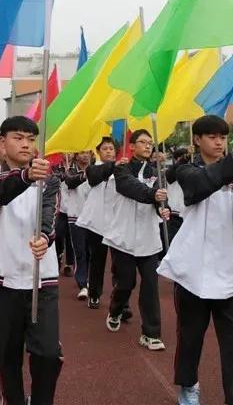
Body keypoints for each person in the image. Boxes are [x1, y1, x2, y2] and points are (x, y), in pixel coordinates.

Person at [157, 115, 233, 405]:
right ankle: (188, 384)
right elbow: (201, 186)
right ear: (197, 140)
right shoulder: (185, 171)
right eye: (212, 137)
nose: (219, 142)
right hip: (192, 271)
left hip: (229, 270)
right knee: (190, 337)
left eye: (223, 137)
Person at [0, 116, 62, 405]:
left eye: (30, 139)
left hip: (41, 279)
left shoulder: (49, 178)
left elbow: (51, 213)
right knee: (8, 357)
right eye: (18, 137)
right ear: (1, 143)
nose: (26, 144)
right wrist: (25, 177)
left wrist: (45, 239)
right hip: (1, 279)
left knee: (48, 353)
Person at [104, 129, 171, 351]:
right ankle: (115, 309)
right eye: (142, 142)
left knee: (150, 284)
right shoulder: (121, 169)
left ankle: (151, 334)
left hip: (148, 237)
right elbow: (128, 187)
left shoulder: (157, 172)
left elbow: (161, 198)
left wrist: (164, 208)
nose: (147, 146)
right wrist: (152, 195)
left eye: (150, 143)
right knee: (126, 282)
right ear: (132, 146)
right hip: (122, 236)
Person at [76, 137, 118, 309]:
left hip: (117, 222)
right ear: (99, 152)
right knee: (98, 260)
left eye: (111, 148)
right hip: (97, 222)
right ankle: (94, 293)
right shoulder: (92, 169)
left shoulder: (122, 169)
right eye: (105, 149)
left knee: (120, 263)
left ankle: (120, 301)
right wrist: (114, 166)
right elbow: (94, 178)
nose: (109, 151)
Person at [65, 150, 92, 300]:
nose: (85, 155)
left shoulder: (97, 170)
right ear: (76, 155)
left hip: (94, 218)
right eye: (81, 153)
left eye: (88, 152)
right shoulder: (69, 172)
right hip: (76, 218)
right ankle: (83, 284)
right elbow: (70, 182)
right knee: (80, 252)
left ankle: (92, 282)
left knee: (92, 252)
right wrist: (87, 174)